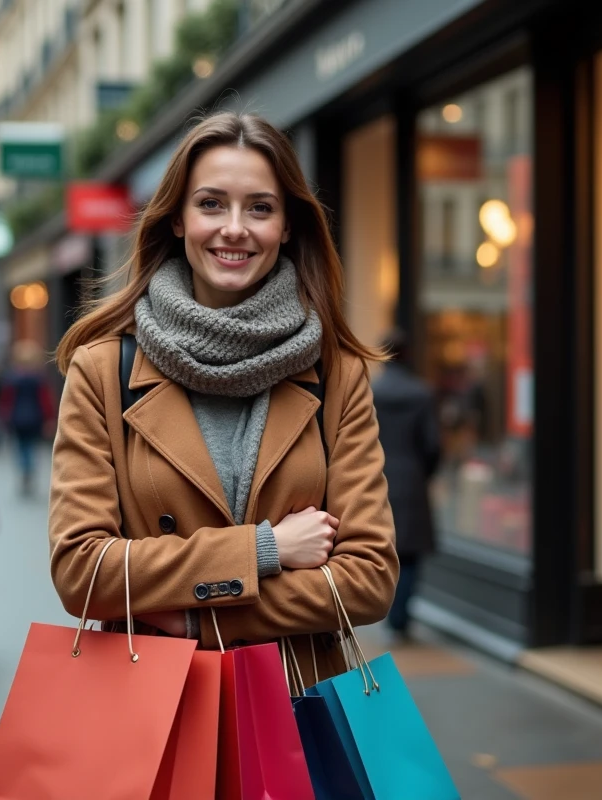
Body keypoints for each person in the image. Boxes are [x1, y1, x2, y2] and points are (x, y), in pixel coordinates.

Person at [48, 112, 398, 684]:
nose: (234, 228)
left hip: (295, 706)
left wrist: (189, 616)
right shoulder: (104, 369)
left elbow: (368, 579)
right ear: (178, 220)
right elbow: (83, 572)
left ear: (287, 226)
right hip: (154, 705)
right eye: (211, 204)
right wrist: (266, 549)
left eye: (260, 207)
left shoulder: (337, 372)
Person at [371, 329, 441, 639]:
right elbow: (433, 445)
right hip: (411, 480)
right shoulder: (421, 393)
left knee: (382, 546)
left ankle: (387, 610)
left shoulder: (370, 391)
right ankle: (400, 618)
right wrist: (422, 473)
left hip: (375, 477)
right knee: (410, 553)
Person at [0, 341, 54, 496]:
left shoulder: (11, 378)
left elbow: (6, 400)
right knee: (31, 446)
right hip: (35, 417)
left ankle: (24, 469)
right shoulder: (39, 379)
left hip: (17, 417)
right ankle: (29, 469)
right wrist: (49, 418)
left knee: (20, 447)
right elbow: (45, 400)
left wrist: (4, 417)